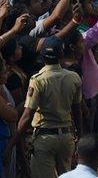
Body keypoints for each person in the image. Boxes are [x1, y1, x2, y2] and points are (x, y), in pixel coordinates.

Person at [13, 37, 83, 178]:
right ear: (61, 55)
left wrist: (11, 144)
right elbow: (78, 111)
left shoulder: (38, 80)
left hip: (44, 137)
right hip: (66, 137)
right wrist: (80, 135)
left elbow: (27, 115)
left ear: (42, 55)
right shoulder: (74, 78)